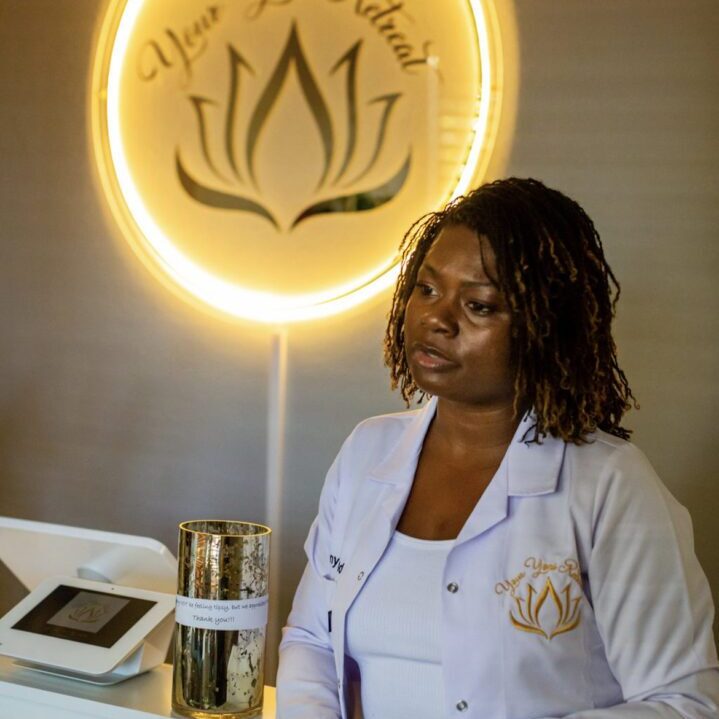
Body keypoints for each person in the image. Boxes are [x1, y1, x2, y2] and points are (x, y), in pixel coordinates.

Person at [276, 178, 719, 719]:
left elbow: (684, 703)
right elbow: (311, 640)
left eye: (480, 305)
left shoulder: (610, 484)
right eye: (427, 288)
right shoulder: (368, 452)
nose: (437, 318)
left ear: (543, 327)